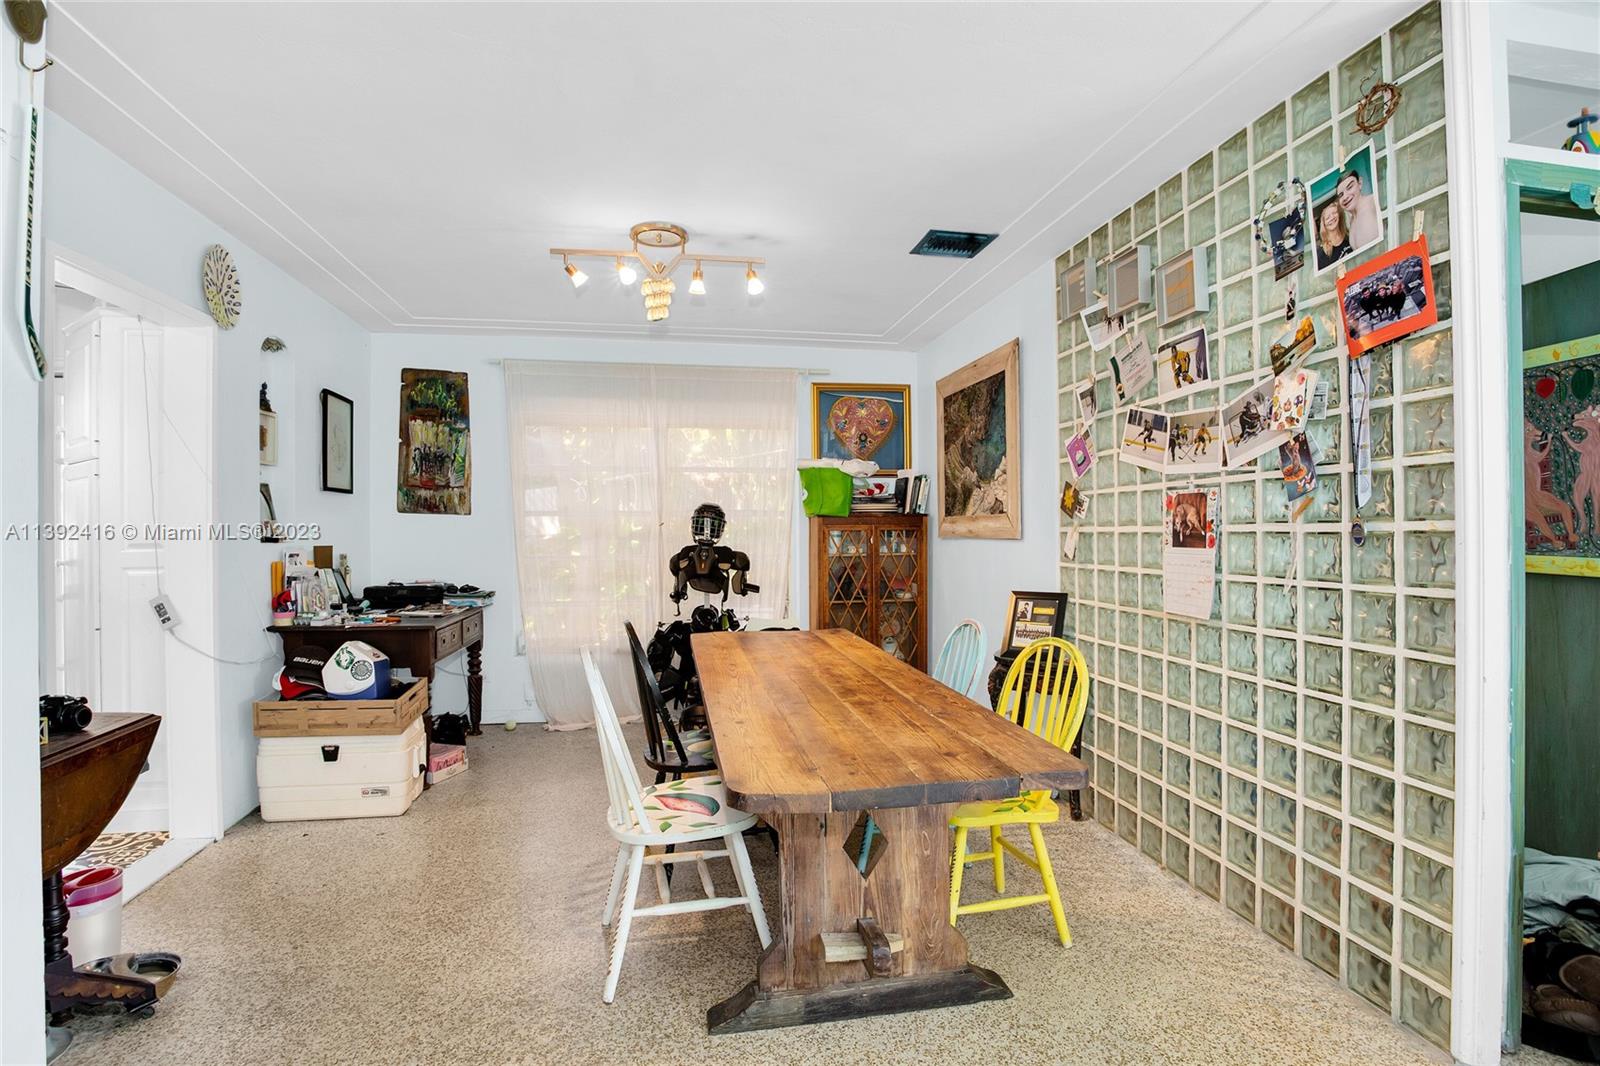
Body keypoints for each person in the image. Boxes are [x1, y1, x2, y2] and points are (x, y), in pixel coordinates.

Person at [1336, 167, 1381, 249]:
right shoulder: (1351, 221)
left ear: (1359, 183)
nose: (1345, 197)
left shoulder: (1373, 201)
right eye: (1341, 195)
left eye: (1349, 187)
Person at [1314, 198, 1351, 271]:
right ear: (1323, 223)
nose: (1332, 218)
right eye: (1327, 217)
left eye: (1334, 213)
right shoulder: (1322, 254)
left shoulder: (1350, 236)